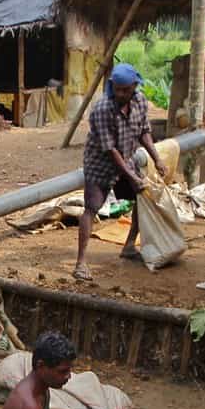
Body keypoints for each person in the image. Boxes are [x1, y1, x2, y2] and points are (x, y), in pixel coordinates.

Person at [75, 63, 167, 282]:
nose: (120, 94)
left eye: (125, 90)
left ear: (134, 86)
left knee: (140, 198)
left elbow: (144, 132)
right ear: (112, 86)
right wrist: (132, 177)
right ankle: (80, 263)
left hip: (126, 159)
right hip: (100, 163)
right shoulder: (102, 110)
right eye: (117, 89)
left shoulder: (141, 102)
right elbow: (110, 150)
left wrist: (157, 158)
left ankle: (128, 245)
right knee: (91, 208)